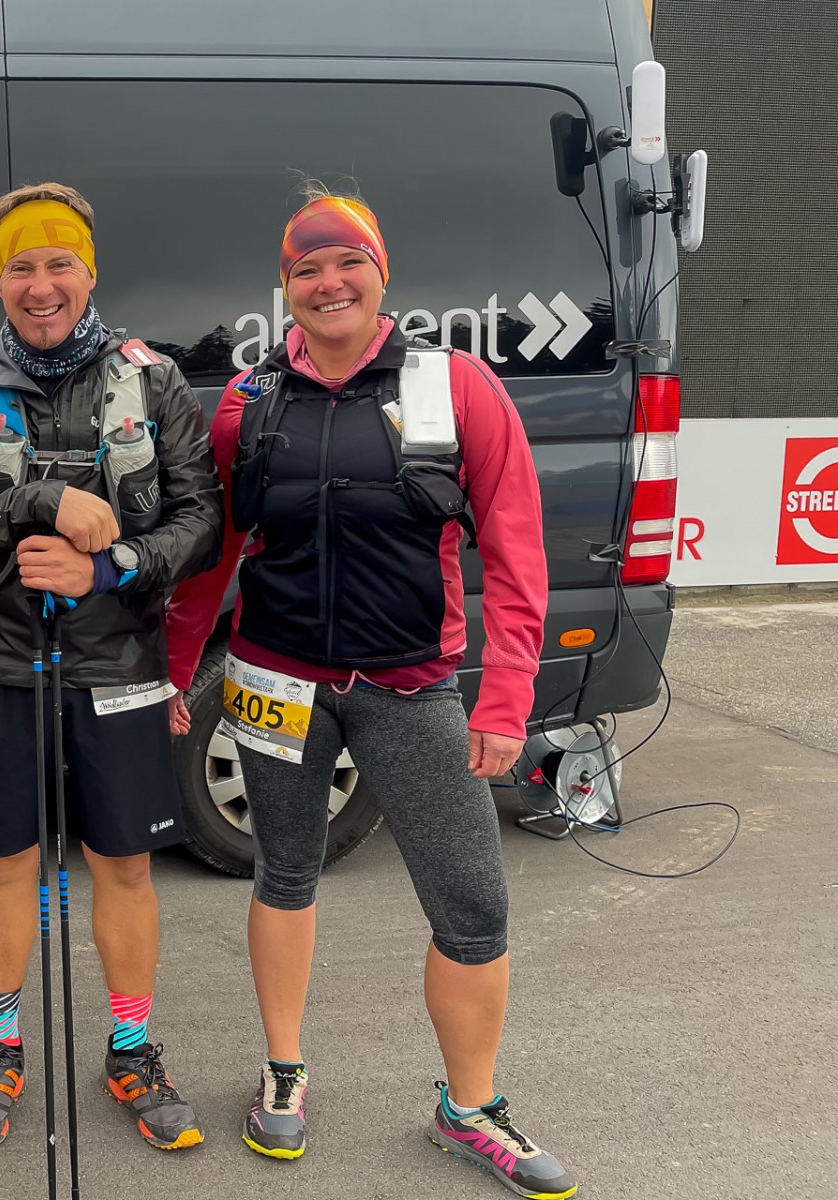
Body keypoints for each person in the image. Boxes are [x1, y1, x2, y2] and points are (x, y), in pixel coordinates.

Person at [165, 185, 575, 1199]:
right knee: (283, 874)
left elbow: (516, 548)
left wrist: (505, 699)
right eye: (306, 269)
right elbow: (215, 552)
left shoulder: (452, 385)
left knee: (472, 903)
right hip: (274, 679)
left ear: (380, 274)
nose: (328, 283)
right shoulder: (250, 401)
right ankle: (283, 1070)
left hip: (410, 685)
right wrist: (177, 667)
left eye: (347, 262)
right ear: (287, 288)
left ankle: (469, 1109)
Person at [0, 182, 223, 1153]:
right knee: (6, 866)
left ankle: (130, 1049)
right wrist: (32, 503)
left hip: (119, 666)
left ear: (90, 272)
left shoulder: (153, 382)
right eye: (21, 267)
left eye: (59, 264)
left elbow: (202, 522)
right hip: (2, 669)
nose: (40, 285)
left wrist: (113, 564)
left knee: (123, 865)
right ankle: (1, 1047)